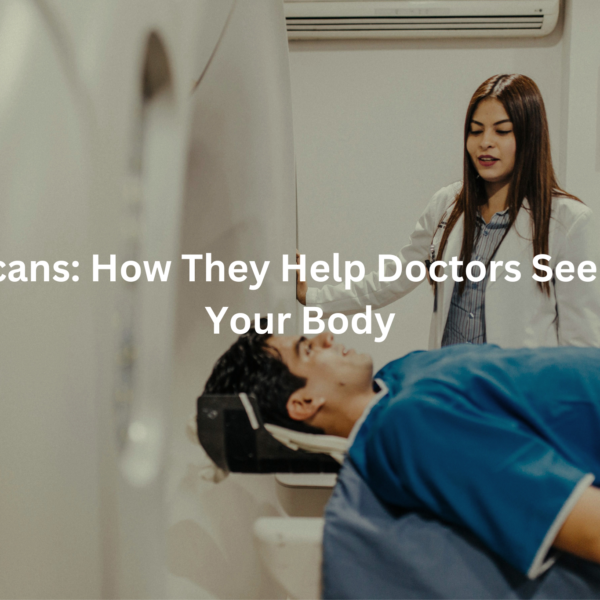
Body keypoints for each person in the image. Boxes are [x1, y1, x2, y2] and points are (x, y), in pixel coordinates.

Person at [203, 327, 600, 579]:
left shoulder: (398, 375)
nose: (325, 334)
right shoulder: (409, 428)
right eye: (308, 349)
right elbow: (583, 523)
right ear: (304, 402)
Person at [296, 74, 600, 349]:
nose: (485, 143)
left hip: (516, 399)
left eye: (502, 131)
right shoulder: (448, 204)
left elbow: (582, 343)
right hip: (449, 389)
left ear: (530, 137)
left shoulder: (568, 222)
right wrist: (313, 297)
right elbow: (393, 277)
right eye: (475, 131)